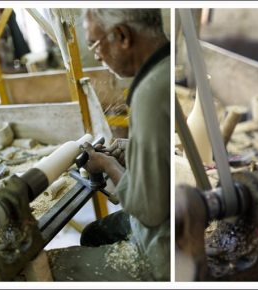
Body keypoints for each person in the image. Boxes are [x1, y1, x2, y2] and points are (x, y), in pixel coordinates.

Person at [47, 8, 170, 281]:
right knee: (93, 233)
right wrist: (133, 151)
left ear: (122, 36)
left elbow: (149, 209)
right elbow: (168, 153)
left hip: (164, 251)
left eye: (94, 42)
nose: (97, 53)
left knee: (50, 269)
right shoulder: (166, 69)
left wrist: (108, 164)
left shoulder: (150, 92)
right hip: (175, 213)